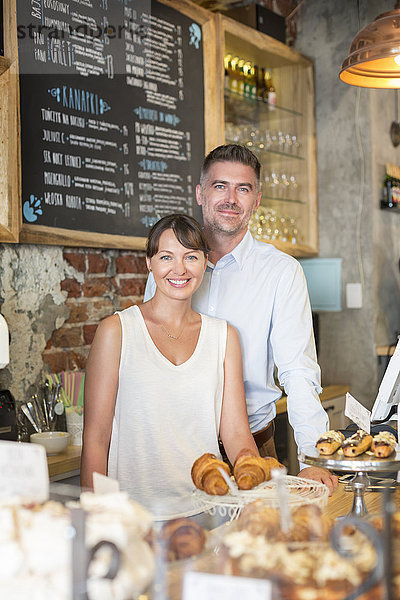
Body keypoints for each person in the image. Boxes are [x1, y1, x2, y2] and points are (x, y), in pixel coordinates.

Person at [144, 144, 338, 494]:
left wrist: (312, 459)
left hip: (253, 449)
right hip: (175, 447)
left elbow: (299, 372)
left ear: (256, 200)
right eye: (220, 186)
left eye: (243, 189)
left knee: (255, 546)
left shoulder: (282, 272)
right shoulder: (171, 268)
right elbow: (150, 357)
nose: (230, 198)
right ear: (201, 194)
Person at [81, 213, 259, 520]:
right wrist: (96, 519)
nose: (180, 269)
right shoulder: (117, 331)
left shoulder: (224, 337)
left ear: (206, 261)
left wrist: (258, 495)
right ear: (150, 262)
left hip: (208, 510)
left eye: (191, 257)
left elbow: (237, 434)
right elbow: (96, 438)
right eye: (167, 257)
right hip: (133, 516)